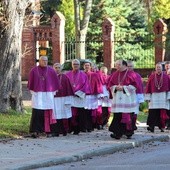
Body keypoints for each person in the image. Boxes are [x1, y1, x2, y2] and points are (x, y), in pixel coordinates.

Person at [27, 56, 60, 138]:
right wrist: (33, 91)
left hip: (48, 94)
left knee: (49, 112)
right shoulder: (34, 70)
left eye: (46, 60)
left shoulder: (51, 70)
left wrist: (53, 91)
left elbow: (55, 83)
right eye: (43, 60)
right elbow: (31, 82)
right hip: (38, 94)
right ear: (39, 61)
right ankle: (35, 131)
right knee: (37, 112)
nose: (45, 62)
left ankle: (49, 130)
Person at [108, 59, 138, 139]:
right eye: (116, 64)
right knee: (117, 115)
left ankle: (128, 132)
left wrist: (124, 88)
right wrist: (115, 87)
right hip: (118, 97)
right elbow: (110, 85)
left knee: (128, 115)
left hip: (127, 98)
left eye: (118, 64)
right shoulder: (114, 74)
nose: (116, 66)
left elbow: (135, 86)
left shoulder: (131, 74)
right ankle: (117, 133)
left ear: (124, 65)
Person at [66, 59, 90, 134]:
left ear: (79, 66)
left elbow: (86, 85)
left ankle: (78, 129)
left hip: (79, 97)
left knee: (80, 114)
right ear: (72, 65)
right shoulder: (67, 74)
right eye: (74, 64)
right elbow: (65, 85)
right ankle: (71, 128)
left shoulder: (83, 75)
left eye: (77, 64)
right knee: (71, 113)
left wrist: (78, 93)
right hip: (71, 96)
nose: (75, 66)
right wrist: (70, 92)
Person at [145, 63, 170, 133]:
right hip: (154, 96)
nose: (158, 69)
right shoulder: (152, 76)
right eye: (157, 67)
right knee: (152, 112)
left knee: (162, 112)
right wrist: (148, 97)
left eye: (159, 67)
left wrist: (168, 96)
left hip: (163, 96)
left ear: (162, 68)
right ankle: (151, 126)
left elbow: (169, 87)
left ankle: (162, 126)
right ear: (155, 68)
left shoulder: (166, 76)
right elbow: (148, 87)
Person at [51, 63, 74, 136]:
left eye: (58, 67)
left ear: (61, 68)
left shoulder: (65, 77)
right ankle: (55, 131)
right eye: (56, 67)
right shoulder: (50, 77)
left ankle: (64, 130)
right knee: (55, 115)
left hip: (63, 99)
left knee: (63, 115)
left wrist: (68, 100)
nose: (57, 69)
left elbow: (68, 89)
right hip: (53, 99)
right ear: (53, 68)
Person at [83, 60, 103, 132]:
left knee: (92, 112)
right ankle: (85, 126)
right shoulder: (82, 74)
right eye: (85, 65)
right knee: (84, 112)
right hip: (84, 96)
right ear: (83, 67)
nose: (87, 67)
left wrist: (99, 93)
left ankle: (91, 126)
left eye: (88, 65)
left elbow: (98, 84)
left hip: (92, 96)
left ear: (90, 67)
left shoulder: (94, 75)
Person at [127, 60, 144, 130]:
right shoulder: (123, 75)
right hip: (126, 97)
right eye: (128, 66)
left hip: (135, 96)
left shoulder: (137, 76)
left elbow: (140, 87)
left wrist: (140, 98)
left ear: (133, 67)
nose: (129, 68)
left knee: (134, 112)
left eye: (131, 66)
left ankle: (133, 125)